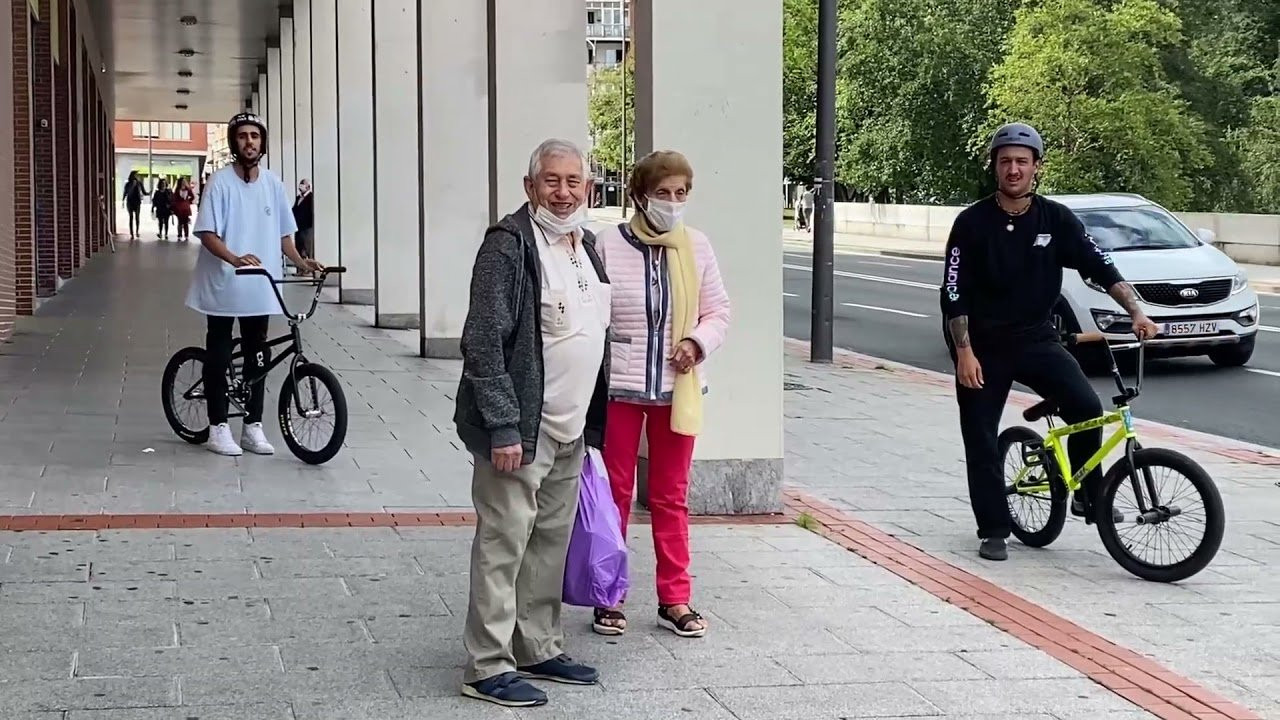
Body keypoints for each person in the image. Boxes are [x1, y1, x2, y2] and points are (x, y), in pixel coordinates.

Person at [939, 122, 1158, 562]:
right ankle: (994, 528)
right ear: (994, 168)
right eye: (1005, 162)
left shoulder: (1056, 219)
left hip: (1038, 338)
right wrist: (963, 351)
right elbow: (953, 289)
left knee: (1086, 408)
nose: (1013, 169)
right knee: (980, 435)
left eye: (1022, 161)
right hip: (982, 345)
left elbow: (1098, 265)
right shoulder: (971, 223)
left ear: (1037, 167)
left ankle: (1086, 493)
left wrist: (1136, 310)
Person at [453, 138, 610, 709]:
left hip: (569, 426)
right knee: (503, 543)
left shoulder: (586, 245)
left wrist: (592, 423)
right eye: (552, 181)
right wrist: (502, 427)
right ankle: (486, 665)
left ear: (587, 187)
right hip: (521, 429)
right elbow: (483, 342)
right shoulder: (508, 247)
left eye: (574, 182)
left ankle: (537, 644)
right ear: (530, 186)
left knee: (548, 541)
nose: (564, 193)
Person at [591, 150, 730, 639]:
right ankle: (608, 595)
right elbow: (593, 312)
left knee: (671, 497)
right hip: (621, 389)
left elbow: (719, 313)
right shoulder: (607, 244)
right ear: (639, 196)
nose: (672, 203)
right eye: (663, 194)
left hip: (679, 390)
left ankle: (675, 597)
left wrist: (696, 343)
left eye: (681, 194)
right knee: (614, 494)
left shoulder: (697, 246)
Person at [185, 112, 325, 457]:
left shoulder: (273, 185)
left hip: (259, 287)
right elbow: (206, 233)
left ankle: (252, 426)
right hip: (222, 285)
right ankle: (218, 426)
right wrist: (233, 258)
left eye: (255, 136)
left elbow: (284, 236)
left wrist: (302, 262)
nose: (249, 142)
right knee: (218, 353)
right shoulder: (219, 183)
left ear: (262, 142)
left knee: (257, 356)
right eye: (243, 136)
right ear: (234, 142)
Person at [291, 179, 315, 275]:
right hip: (298, 227)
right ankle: (301, 269)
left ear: (308, 187)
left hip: (307, 227)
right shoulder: (298, 198)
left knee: (306, 248)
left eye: (303, 184)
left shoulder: (311, 197)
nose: (300, 186)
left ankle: (307, 269)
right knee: (299, 247)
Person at [122, 171, 148, 240]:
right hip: (130, 202)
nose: (137, 177)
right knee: (131, 217)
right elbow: (125, 192)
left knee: (137, 217)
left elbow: (144, 192)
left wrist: (149, 193)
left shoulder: (139, 183)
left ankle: (137, 231)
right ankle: (131, 233)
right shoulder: (128, 184)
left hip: (137, 202)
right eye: (136, 175)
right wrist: (123, 200)